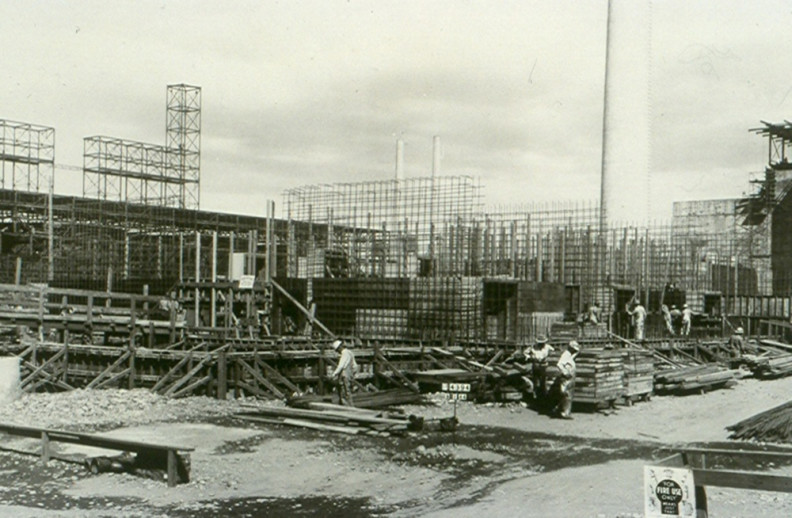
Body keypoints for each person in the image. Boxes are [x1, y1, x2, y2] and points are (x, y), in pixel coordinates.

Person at [554, 340, 580, 419]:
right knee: (566, 394)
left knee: (568, 394)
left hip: (570, 377)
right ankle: (565, 413)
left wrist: (576, 353)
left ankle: (561, 410)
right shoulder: (566, 354)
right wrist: (565, 373)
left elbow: (571, 359)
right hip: (566, 377)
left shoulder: (569, 355)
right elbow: (559, 364)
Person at [526, 335, 555, 401]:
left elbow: (554, 351)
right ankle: (536, 395)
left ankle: (543, 396)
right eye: (540, 343)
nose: (541, 344)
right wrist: (530, 357)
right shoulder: (533, 347)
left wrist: (549, 357)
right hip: (536, 364)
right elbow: (525, 352)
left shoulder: (548, 347)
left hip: (544, 365)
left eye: (543, 343)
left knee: (543, 381)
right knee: (536, 381)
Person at [331, 338, 358, 406]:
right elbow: (355, 366)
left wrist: (334, 374)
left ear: (339, 347)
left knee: (344, 393)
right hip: (349, 375)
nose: (337, 352)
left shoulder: (344, 353)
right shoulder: (350, 352)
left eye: (337, 350)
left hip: (344, 375)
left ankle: (347, 408)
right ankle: (350, 406)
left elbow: (341, 366)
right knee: (348, 392)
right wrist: (353, 375)